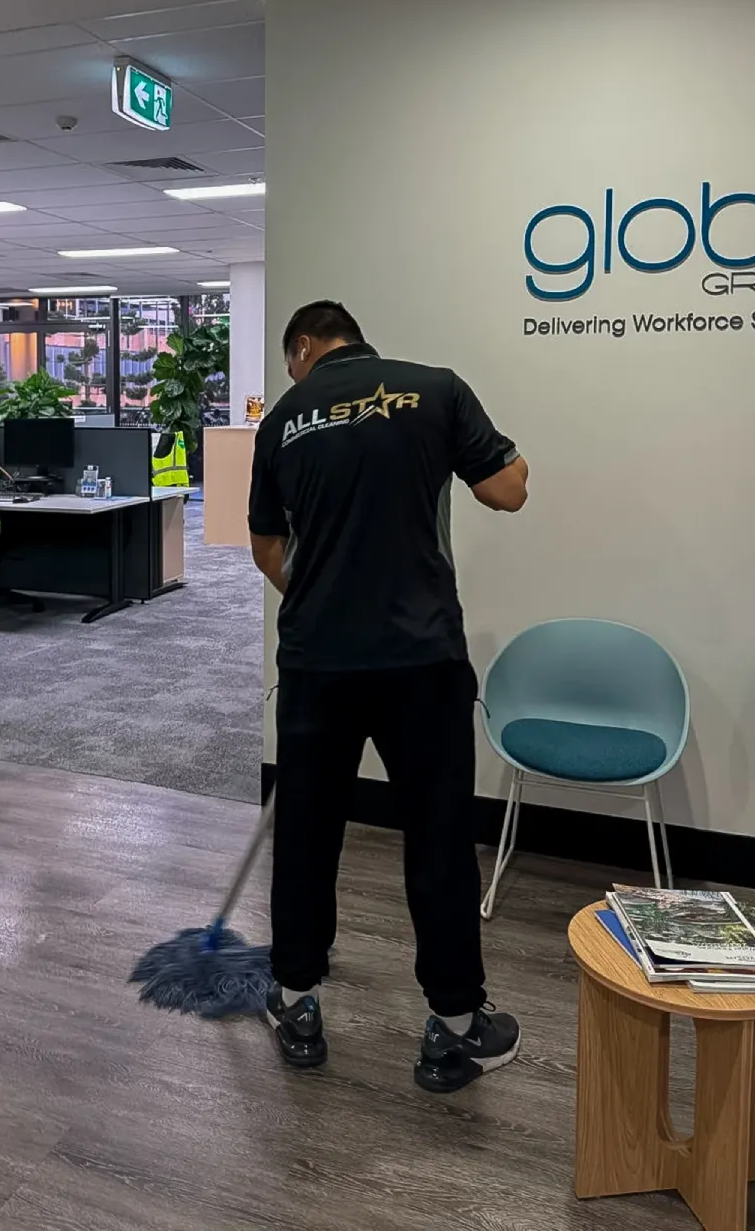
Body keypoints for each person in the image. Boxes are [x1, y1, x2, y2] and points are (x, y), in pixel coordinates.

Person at [248, 300, 529, 1094]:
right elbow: (508, 490)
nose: (293, 374)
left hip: (319, 662)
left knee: (306, 836)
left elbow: (266, 546)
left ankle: (296, 1001)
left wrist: (324, 594)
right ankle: (456, 1026)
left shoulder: (283, 419)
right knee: (439, 840)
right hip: (420, 660)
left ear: (305, 346)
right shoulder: (435, 389)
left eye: (291, 361)